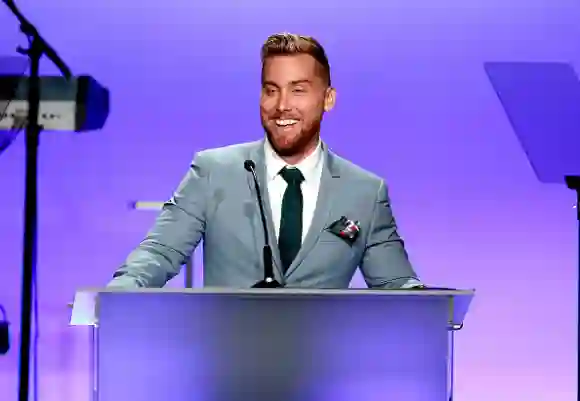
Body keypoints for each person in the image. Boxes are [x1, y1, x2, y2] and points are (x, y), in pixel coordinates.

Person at [108, 32, 421, 289]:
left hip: (319, 364)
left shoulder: (365, 192)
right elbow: (160, 252)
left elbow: (396, 286)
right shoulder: (213, 171)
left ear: (327, 99)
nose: (282, 105)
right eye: (271, 90)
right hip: (226, 362)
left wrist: (424, 303)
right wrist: (120, 294)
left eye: (298, 90)